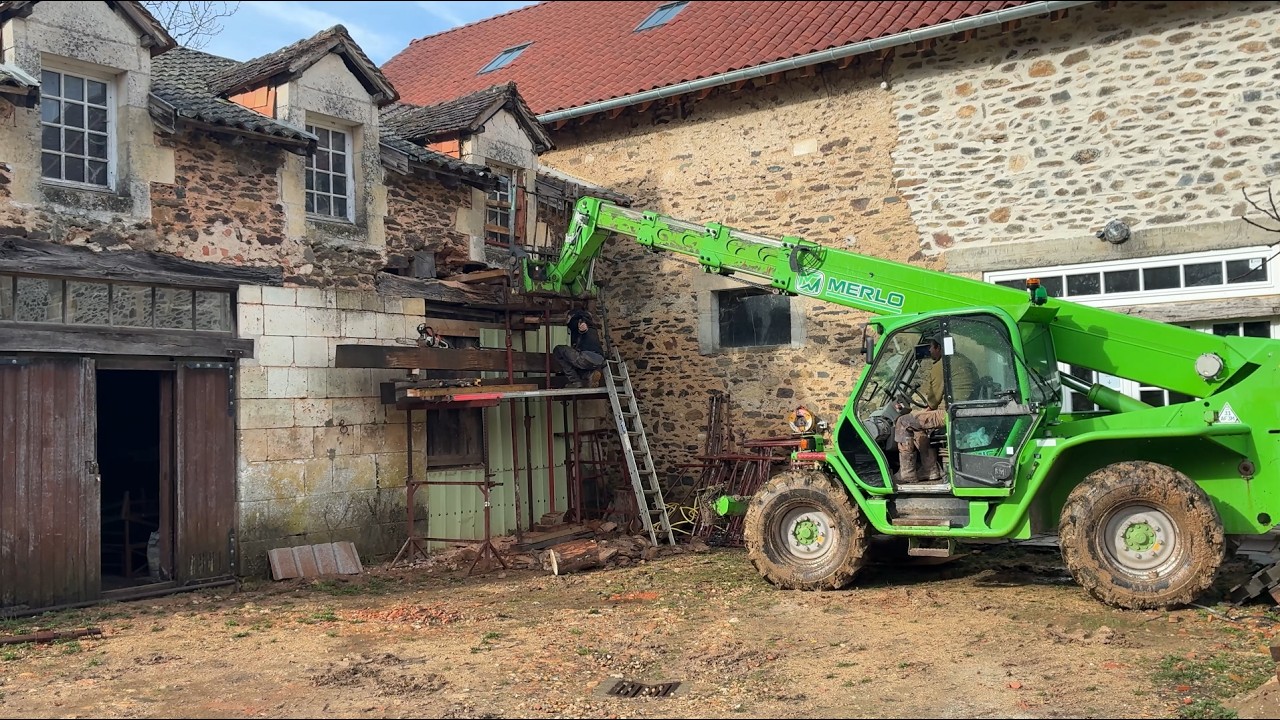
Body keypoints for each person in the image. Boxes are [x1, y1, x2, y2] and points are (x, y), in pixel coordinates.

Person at [892, 334, 977, 483]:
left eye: (931, 346)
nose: (929, 350)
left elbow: (934, 399)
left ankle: (907, 473)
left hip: (948, 413)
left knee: (903, 422)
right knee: (918, 427)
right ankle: (930, 470)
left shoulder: (942, 364)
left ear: (939, 348)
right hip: (963, 411)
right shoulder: (965, 360)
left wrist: (920, 411)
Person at [553, 310, 606, 388]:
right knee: (577, 366)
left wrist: (582, 327)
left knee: (558, 350)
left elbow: (582, 327)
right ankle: (590, 375)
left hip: (586, 357)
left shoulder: (578, 321)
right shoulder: (593, 327)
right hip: (599, 360)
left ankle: (575, 381)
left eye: (567, 318)